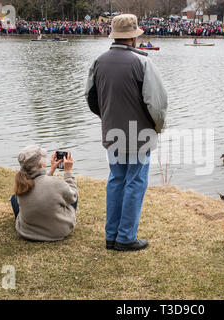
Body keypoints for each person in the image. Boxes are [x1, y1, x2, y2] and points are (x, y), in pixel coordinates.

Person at [85, 14, 168, 251]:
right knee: (135, 182)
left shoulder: (98, 61)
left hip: (112, 131)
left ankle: (111, 236)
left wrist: (107, 118)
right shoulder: (143, 63)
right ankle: (125, 238)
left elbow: (90, 98)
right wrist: (157, 128)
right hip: (139, 134)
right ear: (133, 37)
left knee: (116, 180)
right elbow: (157, 104)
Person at [10, 145, 78, 241]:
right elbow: (73, 196)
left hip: (27, 233)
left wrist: (51, 171)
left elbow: (40, 185)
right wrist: (68, 172)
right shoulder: (56, 183)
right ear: (42, 164)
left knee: (14, 198)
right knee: (69, 192)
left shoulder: (22, 184)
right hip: (58, 232)